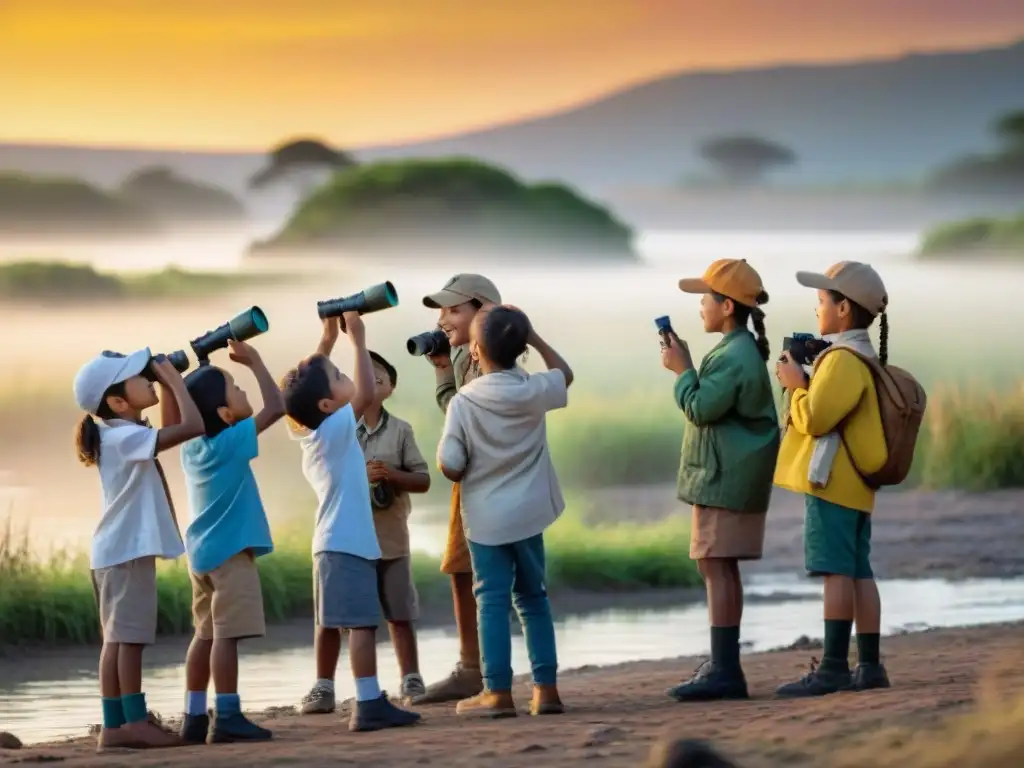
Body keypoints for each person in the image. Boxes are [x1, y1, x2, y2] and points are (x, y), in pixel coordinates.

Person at [283, 311, 421, 732]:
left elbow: (303, 390)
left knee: (355, 623)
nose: (348, 377)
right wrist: (358, 340)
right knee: (361, 625)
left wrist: (324, 341)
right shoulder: (338, 427)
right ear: (328, 404)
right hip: (345, 544)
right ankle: (368, 703)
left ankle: (366, 698)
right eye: (338, 375)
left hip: (335, 543)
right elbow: (361, 394)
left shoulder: (313, 430)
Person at [437, 305, 573, 717]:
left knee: (491, 601)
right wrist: (534, 336)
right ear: (522, 347)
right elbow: (564, 374)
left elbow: (450, 462)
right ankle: (546, 690)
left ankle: (497, 693)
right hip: (530, 514)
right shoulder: (533, 389)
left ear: (474, 351)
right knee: (534, 598)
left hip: (487, 521)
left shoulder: (463, 401)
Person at [660, 259, 781, 702]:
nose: (700, 307)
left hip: (724, 476)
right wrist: (690, 367)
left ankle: (726, 670)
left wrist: (681, 370)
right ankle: (724, 665)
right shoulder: (738, 348)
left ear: (727, 306)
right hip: (726, 473)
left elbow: (700, 408)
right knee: (716, 564)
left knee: (716, 564)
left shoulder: (733, 355)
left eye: (705, 299)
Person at [74, 349, 205, 750]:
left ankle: (114, 725)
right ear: (116, 402)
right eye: (139, 377)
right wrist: (174, 381)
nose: (148, 378)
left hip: (114, 551)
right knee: (128, 640)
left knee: (115, 641)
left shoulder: (122, 436)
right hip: (126, 552)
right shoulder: (125, 437)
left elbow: (171, 428)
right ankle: (133, 721)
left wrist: (163, 384)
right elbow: (193, 425)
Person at [773, 261, 891, 697]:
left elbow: (817, 419)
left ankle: (835, 667)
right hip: (855, 484)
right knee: (858, 571)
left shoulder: (841, 360)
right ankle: (871, 666)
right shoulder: (861, 356)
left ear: (844, 310)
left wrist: (794, 385)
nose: (817, 307)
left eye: (822, 300)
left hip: (833, 482)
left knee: (835, 572)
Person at [177, 339, 286, 744]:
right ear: (225, 414)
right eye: (236, 390)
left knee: (204, 634)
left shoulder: (191, 446)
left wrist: (185, 374)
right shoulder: (230, 443)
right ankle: (227, 714)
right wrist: (257, 362)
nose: (243, 393)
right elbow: (276, 408)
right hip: (230, 554)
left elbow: (186, 411)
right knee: (225, 636)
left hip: (201, 555)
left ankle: (192, 716)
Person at [411, 273, 502, 705]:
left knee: (489, 576)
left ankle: (483, 672)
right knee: (461, 570)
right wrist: (445, 371)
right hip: (469, 479)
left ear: (483, 311)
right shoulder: (466, 357)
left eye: (452, 309)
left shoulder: (491, 361)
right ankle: (473, 666)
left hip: (487, 479)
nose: (443, 319)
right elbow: (456, 412)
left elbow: (469, 417)